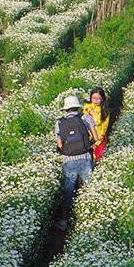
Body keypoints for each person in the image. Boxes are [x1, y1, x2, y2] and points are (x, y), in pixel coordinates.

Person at [54, 95, 100, 230]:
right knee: (89, 188)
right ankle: (92, 219)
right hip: (85, 157)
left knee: (68, 190)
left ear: (66, 109)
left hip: (69, 160)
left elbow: (60, 145)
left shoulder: (59, 122)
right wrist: (88, 145)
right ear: (77, 106)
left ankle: (63, 221)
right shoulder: (84, 117)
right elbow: (96, 138)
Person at [82, 87, 109, 162]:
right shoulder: (86, 107)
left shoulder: (104, 111)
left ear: (102, 99)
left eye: (98, 98)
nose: (96, 100)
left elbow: (104, 127)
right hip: (87, 136)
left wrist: (97, 141)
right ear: (90, 97)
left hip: (99, 137)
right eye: (94, 98)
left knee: (97, 157)